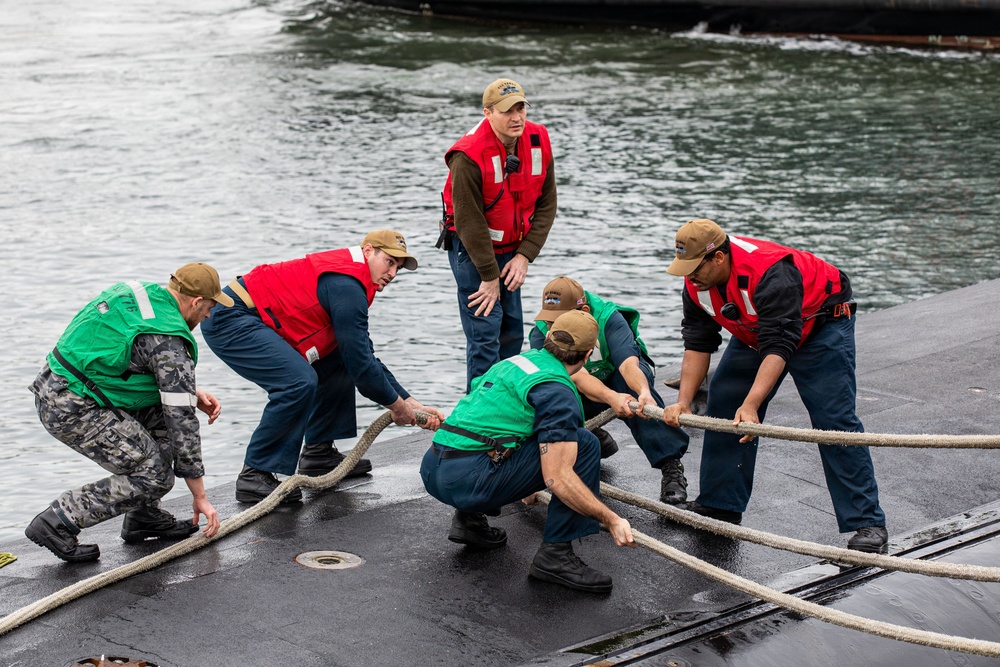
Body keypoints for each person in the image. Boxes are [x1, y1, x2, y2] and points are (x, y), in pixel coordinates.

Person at [661, 219, 888, 553]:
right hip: (756, 329)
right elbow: (698, 342)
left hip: (820, 324)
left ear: (719, 258)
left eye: (694, 268)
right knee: (725, 399)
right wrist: (683, 400)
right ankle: (721, 505)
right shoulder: (695, 280)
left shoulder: (772, 274)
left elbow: (780, 346)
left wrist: (752, 404)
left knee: (833, 419)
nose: (688, 276)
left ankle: (867, 522)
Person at [200, 230, 444, 505]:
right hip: (230, 317)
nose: (393, 273)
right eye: (389, 262)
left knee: (339, 355)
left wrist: (411, 402)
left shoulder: (355, 281)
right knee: (297, 381)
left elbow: (360, 353)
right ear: (368, 252)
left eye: (398, 268)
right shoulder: (348, 286)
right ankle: (254, 474)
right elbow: (364, 368)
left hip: (253, 316)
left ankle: (319, 452)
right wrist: (398, 407)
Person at [25, 263, 229, 563]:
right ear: (196, 302)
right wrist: (200, 495)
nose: (209, 315)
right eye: (209, 307)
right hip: (72, 406)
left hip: (60, 386)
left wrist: (187, 391)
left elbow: (122, 356)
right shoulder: (169, 342)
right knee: (156, 474)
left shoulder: (146, 295)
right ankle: (58, 520)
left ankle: (143, 516)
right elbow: (183, 425)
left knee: (162, 416)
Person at [420, 310, 636, 594]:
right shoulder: (557, 391)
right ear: (586, 357)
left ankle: (469, 521)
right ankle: (556, 555)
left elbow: (484, 411)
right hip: (467, 482)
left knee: (501, 429)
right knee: (584, 443)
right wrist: (611, 518)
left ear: (548, 338)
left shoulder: (513, 362)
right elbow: (557, 478)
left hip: (433, 469)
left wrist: (524, 476)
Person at [438, 77, 557, 392]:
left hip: (513, 249)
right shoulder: (467, 155)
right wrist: (489, 276)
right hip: (473, 250)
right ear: (487, 113)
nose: (516, 117)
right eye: (507, 111)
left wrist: (525, 255)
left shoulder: (538, 139)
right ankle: (478, 420)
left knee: (512, 333)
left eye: (520, 108)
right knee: (485, 336)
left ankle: (504, 406)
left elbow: (548, 203)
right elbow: (468, 220)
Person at [529, 276, 691, 504]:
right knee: (555, 390)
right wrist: (611, 398)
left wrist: (643, 392)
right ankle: (589, 433)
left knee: (636, 393)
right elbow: (577, 376)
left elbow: (628, 364)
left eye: (560, 321)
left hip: (618, 373)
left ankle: (671, 466)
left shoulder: (609, 318)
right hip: (582, 382)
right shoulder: (541, 333)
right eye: (550, 322)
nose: (554, 329)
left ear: (584, 310)